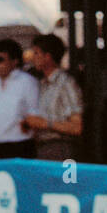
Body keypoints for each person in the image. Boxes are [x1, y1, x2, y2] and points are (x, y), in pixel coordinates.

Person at [22, 33, 82, 161]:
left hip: (60, 148)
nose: (33, 58)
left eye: (36, 53)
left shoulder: (66, 84)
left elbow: (77, 127)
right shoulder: (42, 85)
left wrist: (45, 123)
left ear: (48, 57)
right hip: (42, 147)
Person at [0, 39, 38, 159]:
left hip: (18, 147)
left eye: (0, 59)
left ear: (14, 62)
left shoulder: (27, 82)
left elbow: (35, 114)